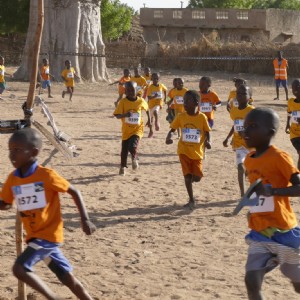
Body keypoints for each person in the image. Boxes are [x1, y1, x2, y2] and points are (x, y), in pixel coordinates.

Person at [0, 128, 96, 300]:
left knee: (19, 268)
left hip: (47, 236)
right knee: (66, 277)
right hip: (35, 237)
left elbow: (74, 191)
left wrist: (85, 219)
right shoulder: (13, 178)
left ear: (34, 152)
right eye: (10, 150)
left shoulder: (46, 176)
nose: (12, 155)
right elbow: (6, 204)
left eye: (17, 150)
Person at [242, 107, 300, 299]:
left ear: (270, 133)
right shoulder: (248, 160)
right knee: (252, 281)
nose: (246, 131)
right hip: (260, 232)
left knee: (298, 284)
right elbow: (256, 192)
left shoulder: (279, 157)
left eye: (252, 126)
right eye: (244, 126)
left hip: (284, 233)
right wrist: (252, 207)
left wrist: (273, 191)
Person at [166, 90, 211, 209]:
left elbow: (206, 131)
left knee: (197, 177)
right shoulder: (181, 116)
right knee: (187, 176)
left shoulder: (202, 117)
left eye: (187, 101)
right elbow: (172, 130)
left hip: (197, 152)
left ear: (196, 103)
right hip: (183, 151)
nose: (184, 104)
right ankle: (191, 200)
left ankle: (191, 181)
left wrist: (208, 141)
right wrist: (169, 137)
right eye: (184, 101)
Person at [114, 81, 151, 175]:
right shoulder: (123, 102)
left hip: (137, 129)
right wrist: (125, 114)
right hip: (126, 130)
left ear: (136, 90)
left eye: (132, 90)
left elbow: (147, 109)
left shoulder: (141, 101)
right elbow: (117, 115)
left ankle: (134, 158)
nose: (130, 92)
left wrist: (149, 121)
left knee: (133, 146)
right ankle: (122, 167)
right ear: (125, 91)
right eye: (128, 90)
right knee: (124, 151)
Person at [223, 84, 254, 196]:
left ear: (250, 97)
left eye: (244, 93)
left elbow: (256, 127)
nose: (240, 96)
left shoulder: (252, 111)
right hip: (239, 145)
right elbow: (235, 125)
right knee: (240, 168)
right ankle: (242, 194)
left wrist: (246, 133)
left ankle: (251, 189)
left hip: (251, 146)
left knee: (250, 171)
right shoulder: (234, 111)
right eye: (238, 94)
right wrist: (228, 138)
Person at [146, 72, 167, 137]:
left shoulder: (161, 85)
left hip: (159, 103)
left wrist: (165, 98)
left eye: (157, 79)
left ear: (159, 79)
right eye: (154, 79)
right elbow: (148, 97)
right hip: (151, 104)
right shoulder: (150, 87)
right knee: (150, 119)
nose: (156, 80)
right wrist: (154, 97)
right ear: (152, 79)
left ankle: (157, 122)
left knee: (156, 111)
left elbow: (165, 90)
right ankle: (151, 131)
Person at [286, 79, 300, 169]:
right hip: (294, 134)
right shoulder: (290, 101)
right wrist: (287, 123)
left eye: (298, 87)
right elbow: (289, 112)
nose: (295, 89)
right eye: (293, 88)